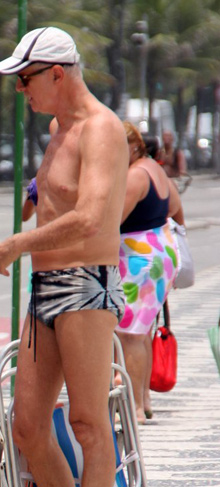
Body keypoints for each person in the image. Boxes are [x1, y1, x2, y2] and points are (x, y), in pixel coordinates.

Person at [0, 27, 129, 487]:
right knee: (27, 428)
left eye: (24, 79)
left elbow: (90, 217)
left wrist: (18, 242)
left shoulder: (103, 128)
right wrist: (34, 192)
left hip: (87, 283)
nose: (19, 90)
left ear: (55, 74)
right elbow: (57, 189)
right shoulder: (58, 128)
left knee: (88, 425)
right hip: (45, 287)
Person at [116, 121, 182, 423]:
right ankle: (143, 399)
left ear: (132, 145)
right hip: (160, 252)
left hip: (139, 259)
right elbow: (176, 207)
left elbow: (114, 220)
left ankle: (135, 409)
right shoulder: (155, 169)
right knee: (140, 332)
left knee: (129, 334)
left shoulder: (134, 176)